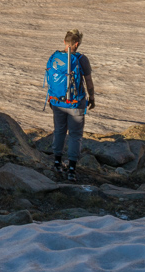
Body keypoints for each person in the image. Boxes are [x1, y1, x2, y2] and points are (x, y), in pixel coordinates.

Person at [45, 29, 95, 182]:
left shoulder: (54, 57)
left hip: (57, 101)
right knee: (75, 135)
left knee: (59, 131)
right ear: (77, 44)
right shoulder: (81, 59)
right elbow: (88, 81)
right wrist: (91, 97)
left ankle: (57, 163)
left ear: (64, 42)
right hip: (75, 103)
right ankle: (72, 169)